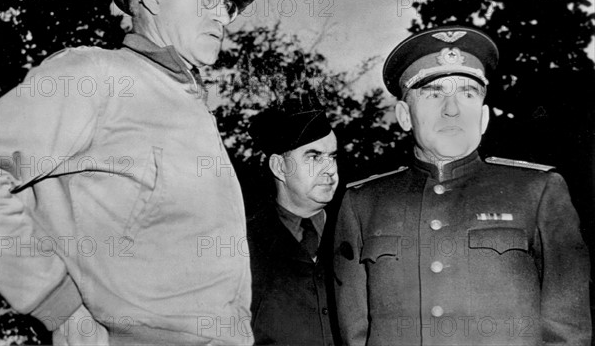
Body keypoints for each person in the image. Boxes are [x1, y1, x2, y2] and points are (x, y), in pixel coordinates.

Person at [0, 0, 255, 345]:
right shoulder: (93, 75)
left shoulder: (190, 104)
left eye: (227, 2)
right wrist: (57, 306)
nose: (222, 15)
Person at [333, 26, 591, 346]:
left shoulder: (537, 191)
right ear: (404, 115)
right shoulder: (363, 203)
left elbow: (567, 329)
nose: (452, 109)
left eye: (467, 94)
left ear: (483, 118)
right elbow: (354, 333)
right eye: (434, 94)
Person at [247, 100, 340, 346]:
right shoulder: (242, 244)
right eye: (314, 157)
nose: (330, 169)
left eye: (332, 156)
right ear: (279, 166)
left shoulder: (355, 227)